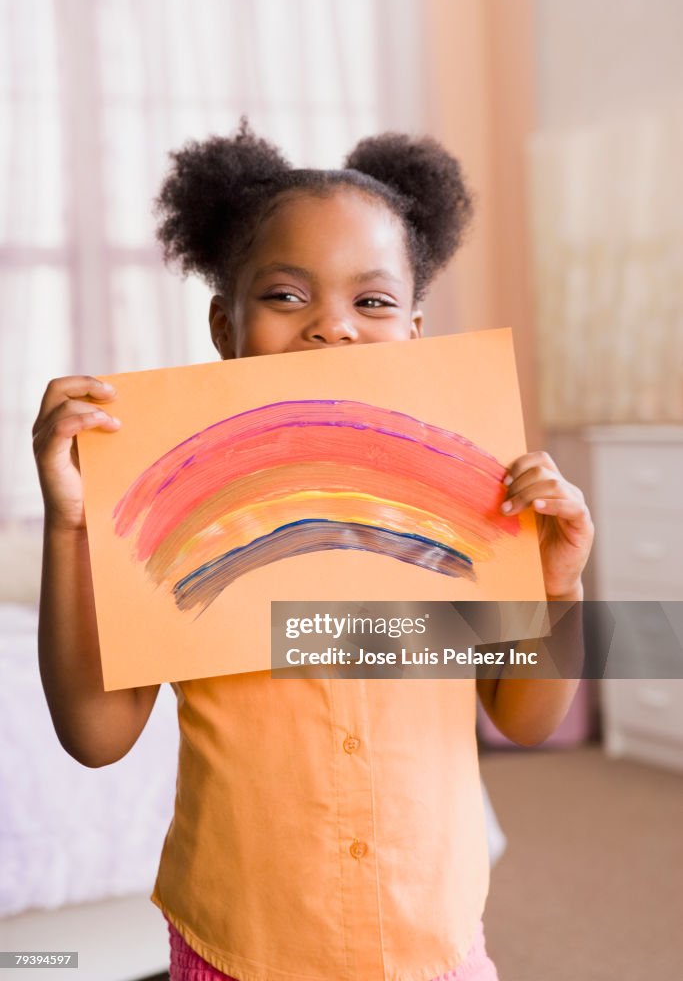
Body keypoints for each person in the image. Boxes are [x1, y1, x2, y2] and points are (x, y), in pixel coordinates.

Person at [32, 120, 594, 981]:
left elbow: (523, 715)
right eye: (286, 296)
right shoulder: (166, 512)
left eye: (370, 302)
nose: (332, 328)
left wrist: (557, 585)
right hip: (239, 951)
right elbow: (95, 737)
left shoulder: (468, 508)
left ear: (412, 328)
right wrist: (69, 528)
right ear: (225, 325)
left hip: (431, 946)